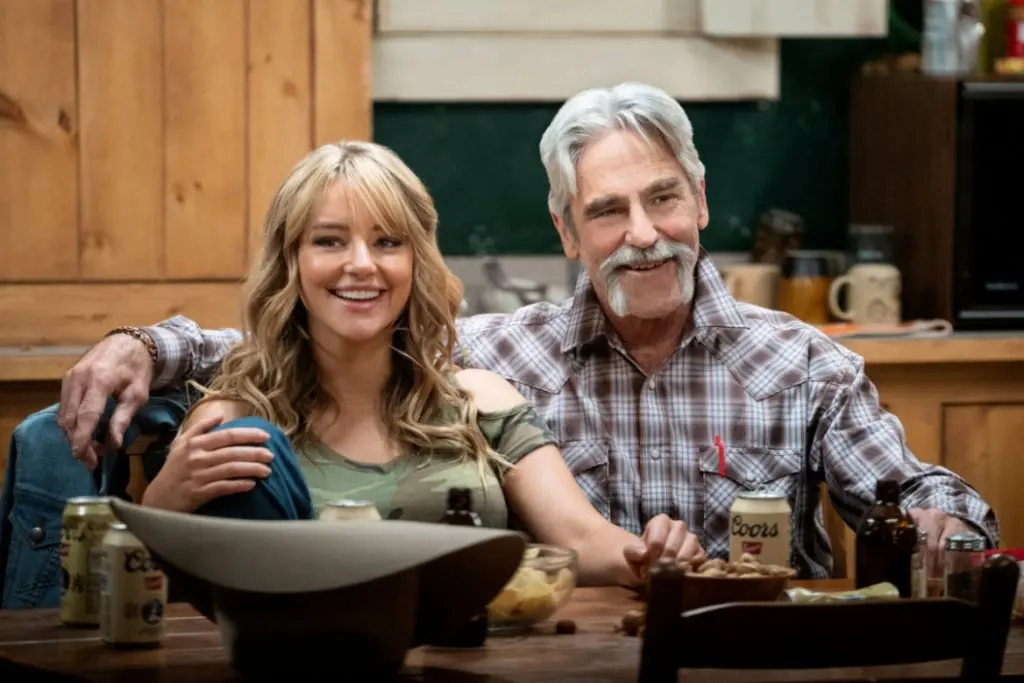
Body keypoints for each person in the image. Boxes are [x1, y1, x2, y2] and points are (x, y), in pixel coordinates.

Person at [56, 83, 998, 579]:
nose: (641, 235)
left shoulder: (802, 360)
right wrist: (147, 344)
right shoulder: (496, 355)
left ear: (701, 200)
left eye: (663, 198)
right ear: (564, 230)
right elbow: (308, 335)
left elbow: (916, 490)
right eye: (607, 210)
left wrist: (939, 520)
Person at [117, 140, 703, 587]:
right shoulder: (235, 419)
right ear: (290, 263)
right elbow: (155, 587)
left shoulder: (482, 398)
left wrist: (649, 557)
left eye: (389, 242)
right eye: (329, 241)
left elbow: (579, 536)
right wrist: (165, 498)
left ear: (415, 261)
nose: (362, 265)